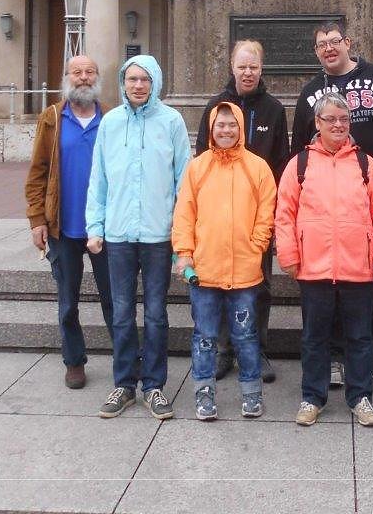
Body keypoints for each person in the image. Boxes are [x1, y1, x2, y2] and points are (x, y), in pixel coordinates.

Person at [291, 19, 373, 390]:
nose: (329, 48)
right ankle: (337, 357)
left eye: (334, 41)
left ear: (348, 42)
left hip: (372, 198)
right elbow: (298, 151)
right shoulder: (311, 92)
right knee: (332, 287)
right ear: (316, 51)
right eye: (321, 44)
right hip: (325, 209)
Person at [276, 93, 373, 428]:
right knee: (314, 338)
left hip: (358, 266)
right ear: (318, 123)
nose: (339, 125)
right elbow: (284, 214)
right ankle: (312, 397)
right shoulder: (299, 164)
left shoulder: (366, 164)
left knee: (360, 337)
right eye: (331, 119)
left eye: (344, 119)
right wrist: (288, 254)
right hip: (314, 267)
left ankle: (360, 397)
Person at [85, 56, 190, 420]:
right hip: (118, 234)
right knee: (122, 312)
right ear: (123, 82)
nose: (139, 85)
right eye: (132, 79)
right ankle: (125, 383)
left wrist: (181, 234)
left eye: (145, 79)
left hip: (158, 235)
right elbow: (98, 178)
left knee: (156, 313)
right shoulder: (111, 123)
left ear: (155, 82)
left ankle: (154, 385)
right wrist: (95, 227)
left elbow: (184, 182)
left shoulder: (171, 122)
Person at [173, 102, 277, 421]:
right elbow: (184, 214)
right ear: (211, 128)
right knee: (205, 336)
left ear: (241, 128)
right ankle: (204, 392)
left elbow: (266, 213)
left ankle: (251, 391)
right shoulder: (197, 168)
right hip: (204, 271)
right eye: (220, 124)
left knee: (246, 336)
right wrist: (184, 253)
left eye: (232, 125)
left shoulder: (257, 167)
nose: (226, 130)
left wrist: (257, 245)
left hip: (245, 271)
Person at [195, 39, 288, 383]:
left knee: (259, 287)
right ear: (231, 67)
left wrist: (272, 217)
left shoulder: (274, 109)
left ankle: (256, 349)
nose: (248, 72)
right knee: (219, 285)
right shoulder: (214, 106)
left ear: (262, 69)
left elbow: (281, 164)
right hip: (219, 218)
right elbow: (201, 160)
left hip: (257, 218)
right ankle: (224, 350)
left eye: (254, 66)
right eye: (242, 66)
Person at [24, 54, 111, 389]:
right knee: (67, 303)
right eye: (77, 72)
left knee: (114, 300)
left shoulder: (111, 118)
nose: (84, 77)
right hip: (63, 225)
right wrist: (37, 219)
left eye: (90, 72)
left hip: (105, 227)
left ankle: (127, 358)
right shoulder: (52, 119)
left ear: (97, 77)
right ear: (66, 77)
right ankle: (74, 361)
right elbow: (37, 173)